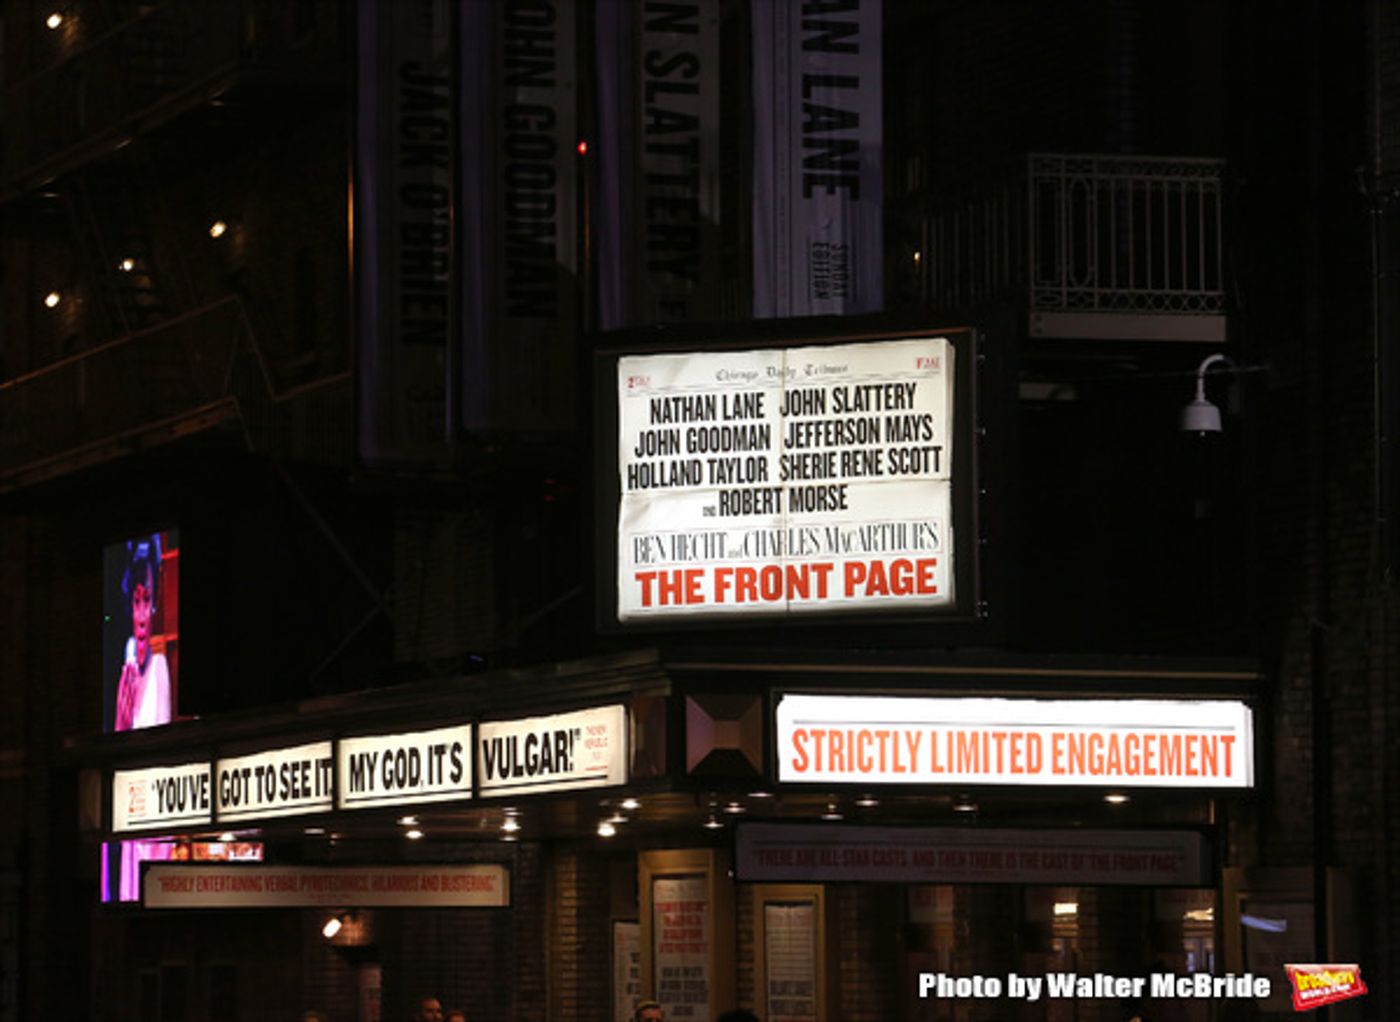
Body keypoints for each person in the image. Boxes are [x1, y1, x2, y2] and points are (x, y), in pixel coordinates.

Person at [113, 535, 172, 731]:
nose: (140, 617)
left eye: (146, 600)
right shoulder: (125, 678)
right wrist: (121, 724)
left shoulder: (159, 667)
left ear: (154, 605)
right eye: (136, 600)